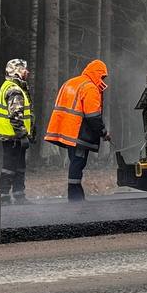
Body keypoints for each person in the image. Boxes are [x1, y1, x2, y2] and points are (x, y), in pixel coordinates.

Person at [44, 59, 110, 201]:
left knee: (75, 160)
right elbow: (93, 116)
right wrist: (103, 132)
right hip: (78, 133)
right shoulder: (90, 88)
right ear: (97, 74)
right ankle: (75, 196)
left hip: (66, 131)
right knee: (78, 162)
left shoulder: (71, 82)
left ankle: (75, 194)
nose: (103, 79)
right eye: (102, 76)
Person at [0, 58, 33, 204]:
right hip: (12, 137)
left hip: (13, 135)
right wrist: (22, 135)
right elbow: (15, 116)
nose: (26, 72)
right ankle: (4, 197)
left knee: (19, 166)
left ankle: (18, 195)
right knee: (10, 167)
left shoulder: (12, 86)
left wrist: (29, 133)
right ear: (16, 71)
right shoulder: (14, 89)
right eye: (23, 69)